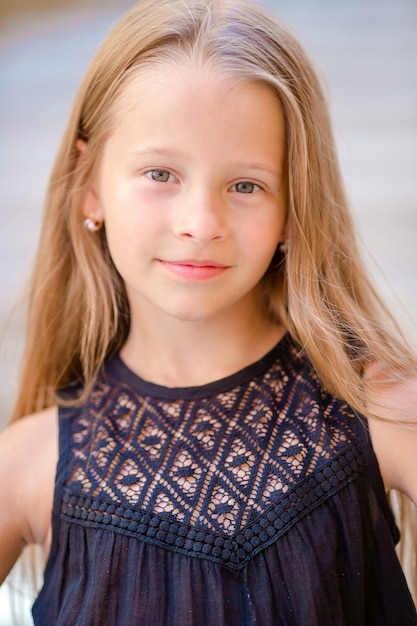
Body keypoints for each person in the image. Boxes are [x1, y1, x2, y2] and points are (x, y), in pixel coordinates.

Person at [0, 0, 416, 623]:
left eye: (246, 185)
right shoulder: (28, 467)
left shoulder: (382, 411)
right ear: (89, 184)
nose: (201, 223)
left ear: (293, 206)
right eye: (161, 173)